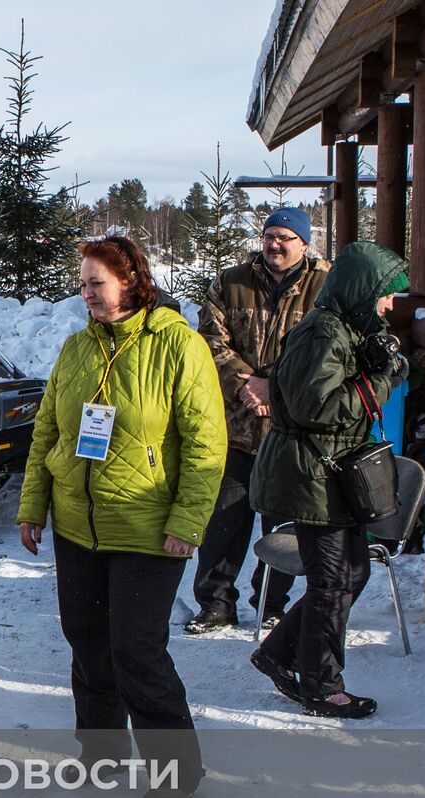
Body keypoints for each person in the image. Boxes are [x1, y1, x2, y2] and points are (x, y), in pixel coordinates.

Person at [16, 235, 225, 798]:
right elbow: (46, 435)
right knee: (87, 640)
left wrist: (188, 520)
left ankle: (175, 771)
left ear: (131, 281)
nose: (86, 294)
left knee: (136, 649)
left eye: (96, 283)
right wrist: (34, 506)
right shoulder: (77, 349)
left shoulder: (178, 347)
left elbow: (208, 444)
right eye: (82, 283)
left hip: (148, 525)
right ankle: (101, 750)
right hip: (78, 526)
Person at [249, 241, 410, 719]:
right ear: (362, 291)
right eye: (384, 295)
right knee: (334, 580)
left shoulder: (344, 329)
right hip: (311, 472)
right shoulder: (323, 332)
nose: (389, 306)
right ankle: (321, 685)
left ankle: (279, 653)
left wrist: (385, 366)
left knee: (350, 573)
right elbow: (315, 407)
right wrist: (380, 380)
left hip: (327, 471)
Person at [188, 208, 329, 634]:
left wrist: (275, 388)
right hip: (234, 427)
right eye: (269, 236)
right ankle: (215, 603)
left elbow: (324, 351)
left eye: (285, 237)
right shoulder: (232, 282)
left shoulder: (325, 287)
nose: (275, 244)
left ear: (303, 243)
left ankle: (271, 602)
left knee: (284, 526)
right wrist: (246, 385)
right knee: (223, 523)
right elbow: (210, 340)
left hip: (291, 431)